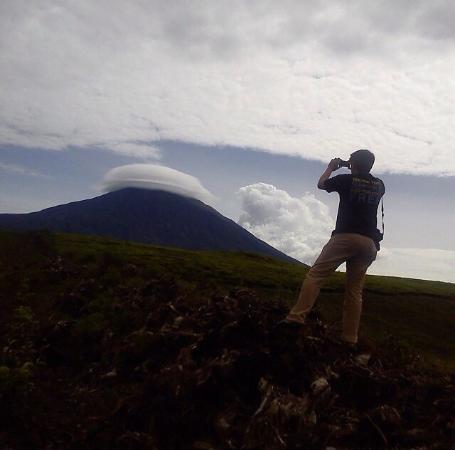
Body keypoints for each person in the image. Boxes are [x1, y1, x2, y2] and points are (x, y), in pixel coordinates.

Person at [283, 149, 385, 344]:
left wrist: (332, 167)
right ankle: (350, 338)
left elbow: (321, 184)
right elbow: (362, 173)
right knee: (354, 291)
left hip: (345, 236)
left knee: (316, 275)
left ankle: (296, 318)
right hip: (369, 243)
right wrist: (352, 164)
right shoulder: (380, 185)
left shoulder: (346, 180)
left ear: (353, 163)